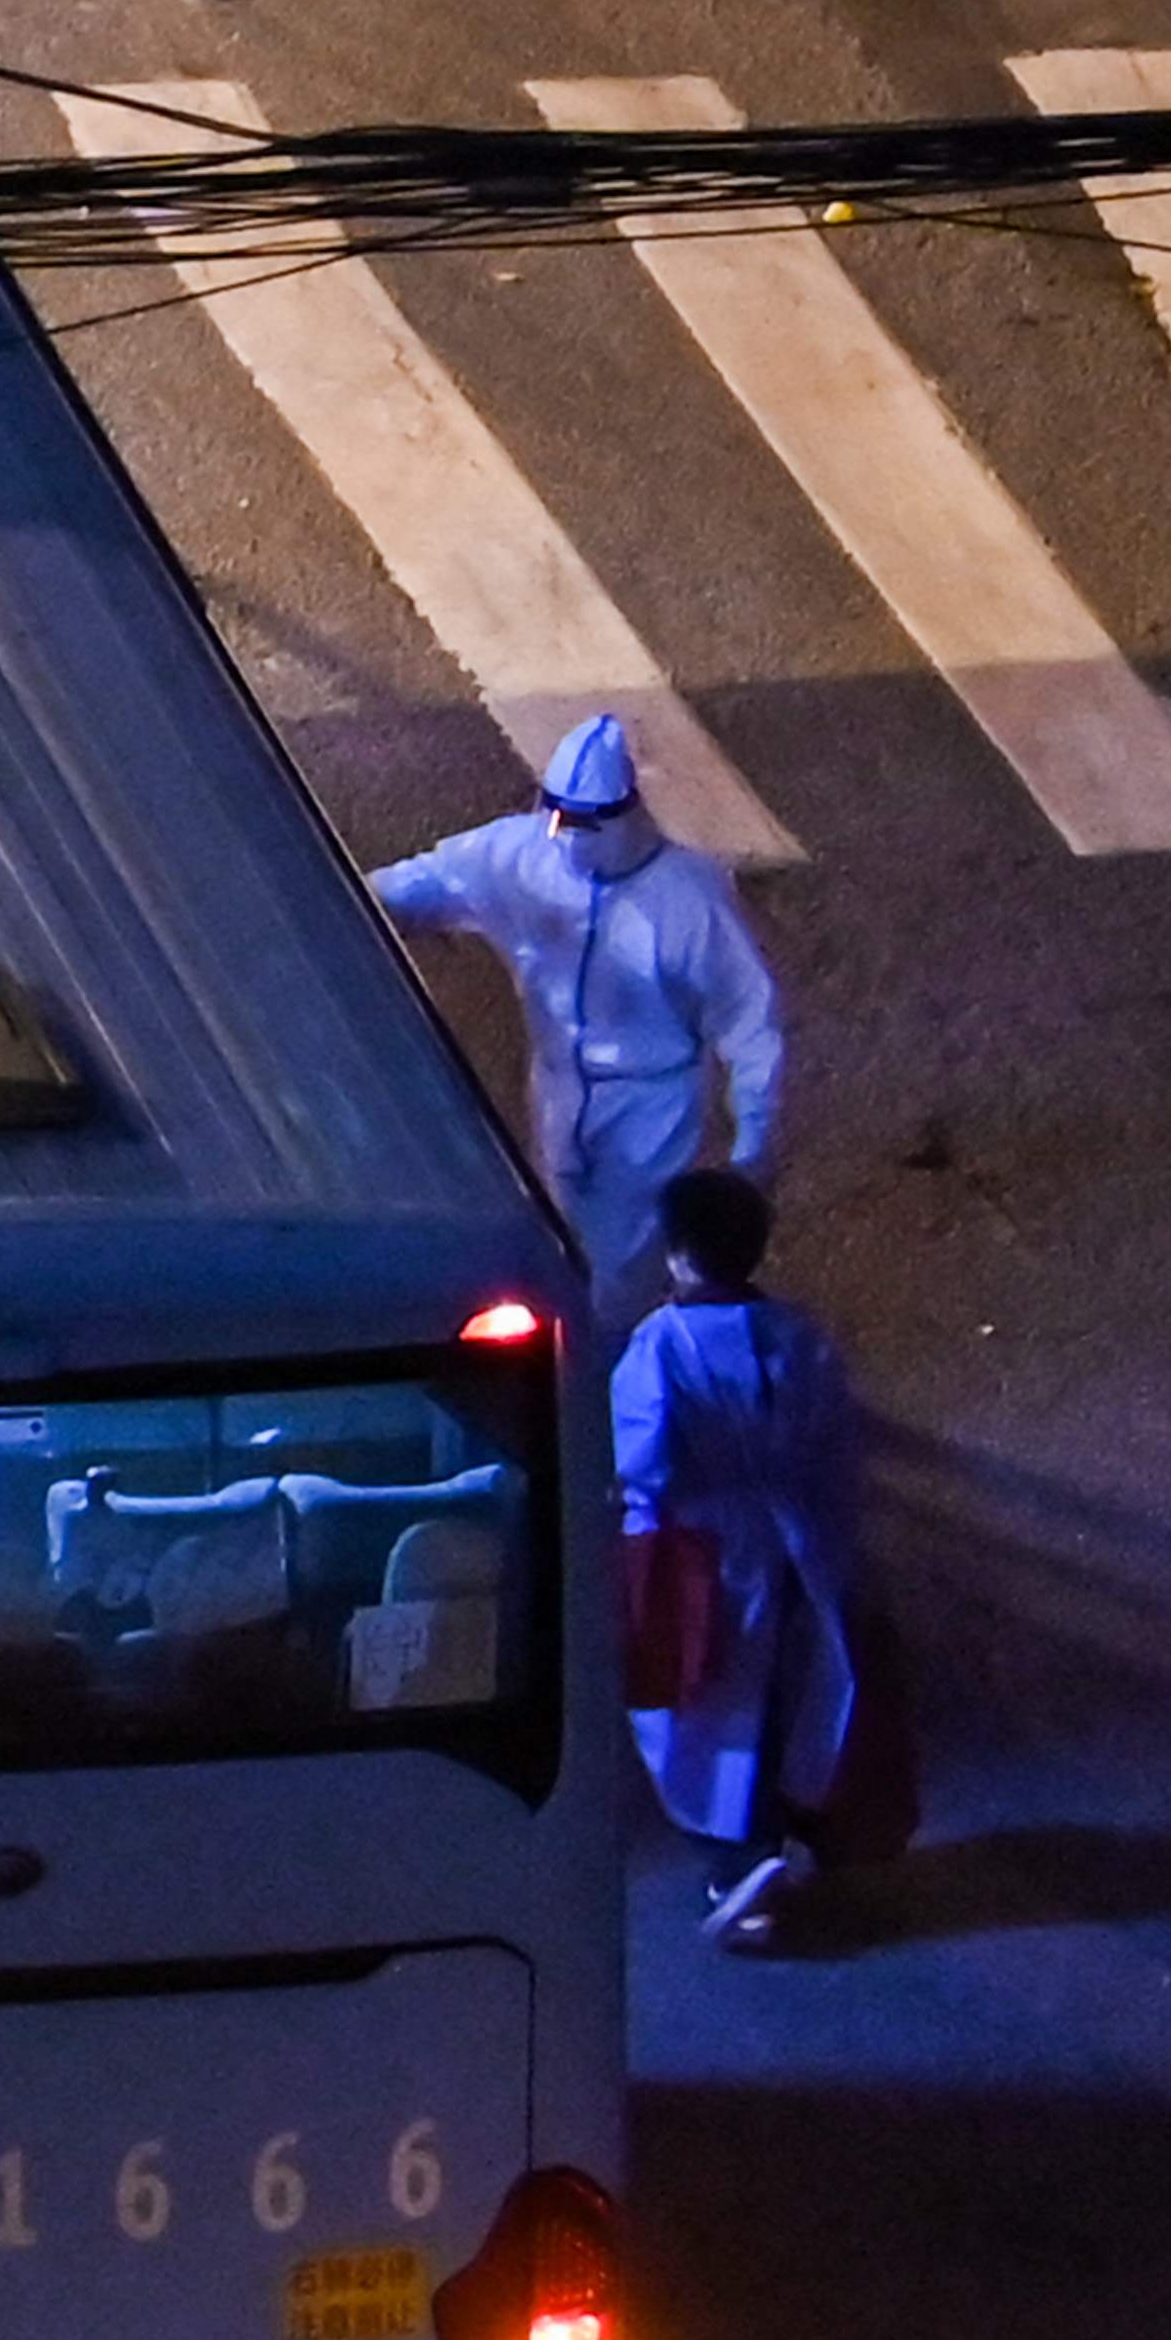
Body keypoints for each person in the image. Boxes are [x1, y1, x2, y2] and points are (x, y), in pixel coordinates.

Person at [369, 714, 784, 1292]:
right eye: (554, 811)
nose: (562, 831)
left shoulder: (689, 901)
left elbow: (750, 1024)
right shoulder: (517, 856)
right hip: (558, 1086)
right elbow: (419, 885)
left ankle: (611, 1358)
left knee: (620, 1270)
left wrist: (754, 1146)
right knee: (557, 1238)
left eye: (580, 819)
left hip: (649, 1105)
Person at [613, 1169, 863, 1947]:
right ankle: (785, 1844)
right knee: (796, 1692)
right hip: (801, 1537)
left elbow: (643, 1460)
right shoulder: (801, 1333)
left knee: (704, 1706)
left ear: (679, 1252)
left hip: (702, 1547)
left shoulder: (662, 1343)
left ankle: (737, 1872)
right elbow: (835, 1446)